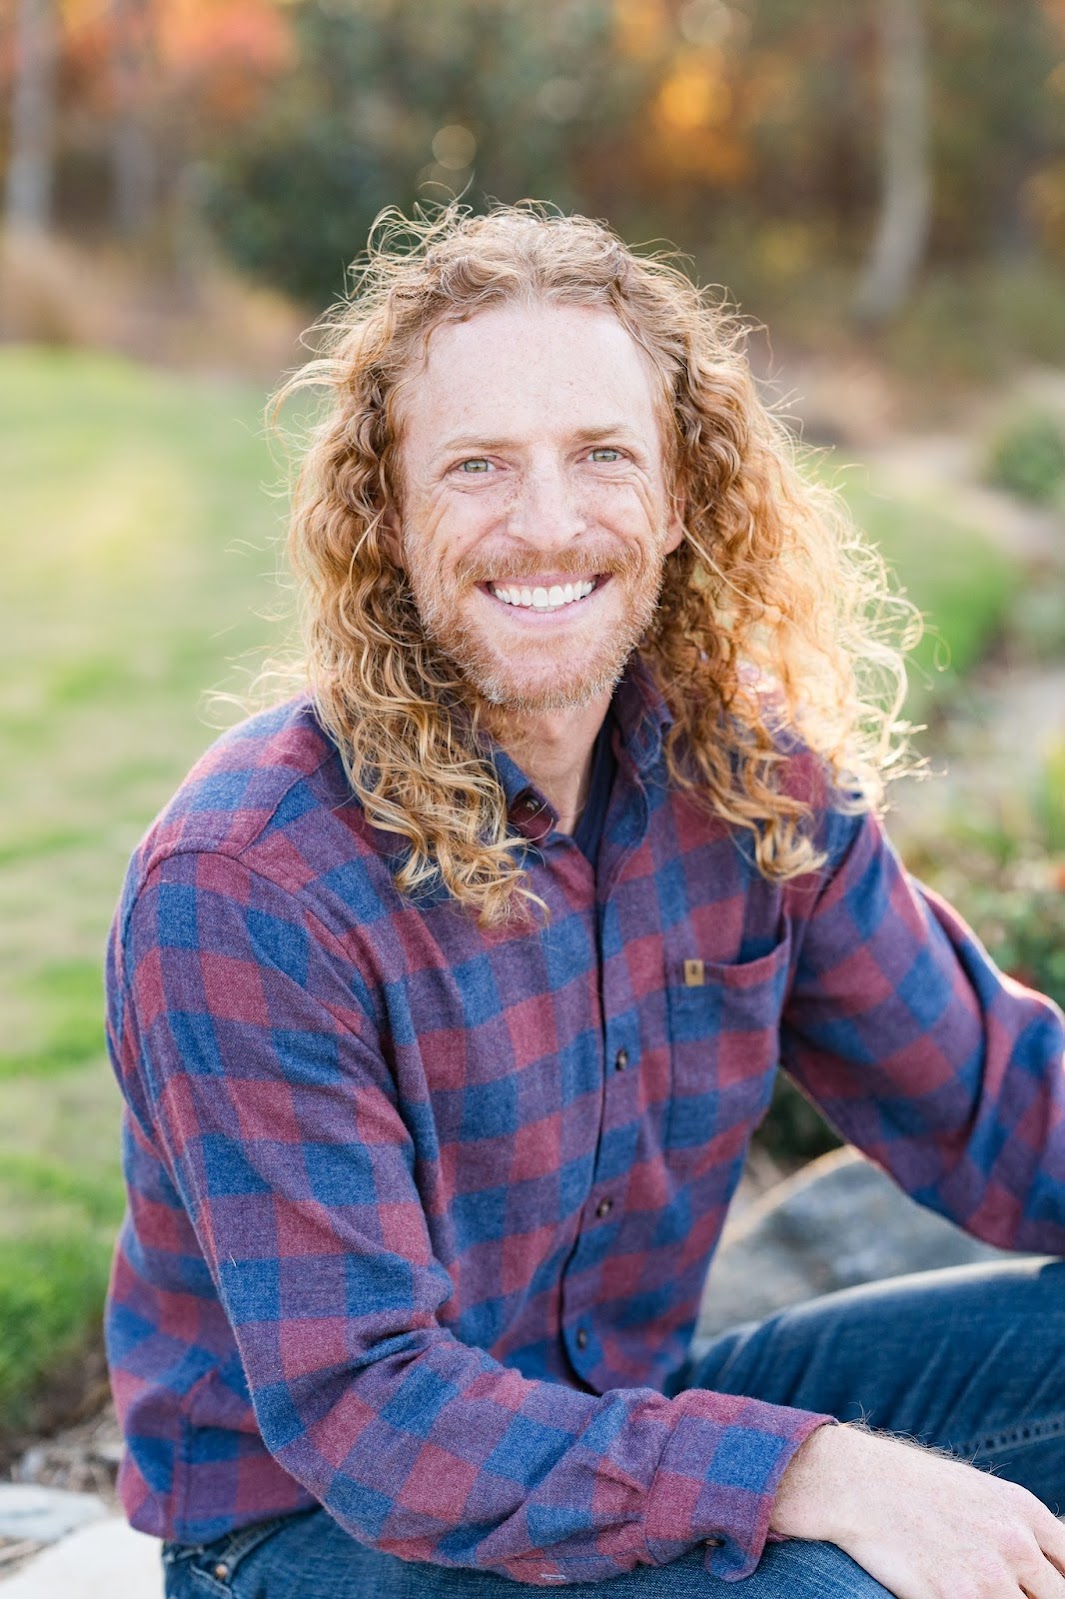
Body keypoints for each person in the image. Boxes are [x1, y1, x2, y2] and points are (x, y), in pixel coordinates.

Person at [104, 205, 1065, 1599]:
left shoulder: (745, 785)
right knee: (831, 1593)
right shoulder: (249, 884)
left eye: (602, 455)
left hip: (622, 1425)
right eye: (478, 466)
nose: (547, 524)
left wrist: (784, 1472)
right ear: (386, 517)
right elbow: (371, 1415)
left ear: (678, 500)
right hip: (311, 1532)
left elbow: (1001, 1106)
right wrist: (805, 1476)